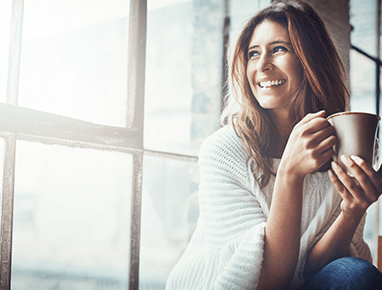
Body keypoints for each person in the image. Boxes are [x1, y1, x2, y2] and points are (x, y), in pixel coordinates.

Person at [165, 1, 382, 289]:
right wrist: (290, 174)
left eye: (279, 49)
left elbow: (313, 269)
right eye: (253, 54)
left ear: (311, 60)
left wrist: (351, 212)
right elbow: (266, 280)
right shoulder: (224, 150)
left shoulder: (342, 147)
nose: (263, 65)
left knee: (354, 273)